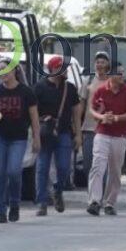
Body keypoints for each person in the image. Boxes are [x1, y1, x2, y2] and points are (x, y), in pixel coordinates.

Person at [0, 59, 40, 224]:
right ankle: (1, 211)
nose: (3, 72)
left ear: (15, 71)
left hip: (18, 138)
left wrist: (37, 139)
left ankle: (15, 203)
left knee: (14, 172)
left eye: (6, 69)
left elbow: (34, 118)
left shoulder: (26, 92)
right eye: (0, 70)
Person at [86, 65, 126, 216]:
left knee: (115, 171)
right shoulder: (101, 90)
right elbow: (92, 111)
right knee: (98, 166)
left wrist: (116, 118)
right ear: (110, 74)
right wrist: (103, 117)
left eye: (122, 72)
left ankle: (109, 202)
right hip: (102, 133)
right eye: (118, 72)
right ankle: (94, 201)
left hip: (120, 135)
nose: (122, 75)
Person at [34, 56, 82, 216]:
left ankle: (58, 190)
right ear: (53, 69)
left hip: (64, 132)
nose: (65, 71)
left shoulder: (70, 89)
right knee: (42, 167)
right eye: (61, 67)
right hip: (45, 133)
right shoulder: (39, 87)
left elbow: (76, 113)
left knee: (64, 167)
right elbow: (33, 113)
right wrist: (37, 129)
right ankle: (41, 202)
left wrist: (78, 135)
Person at [80, 51, 111, 184]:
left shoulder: (111, 82)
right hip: (88, 128)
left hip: (106, 129)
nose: (99, 64)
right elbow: (81, 105)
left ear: (107, 64)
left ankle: (100, 195)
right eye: (97, 62)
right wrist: (77, 126)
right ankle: (93, 192)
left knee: (102, 163)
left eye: (102, 62)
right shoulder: (88, 81)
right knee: (88, 164)